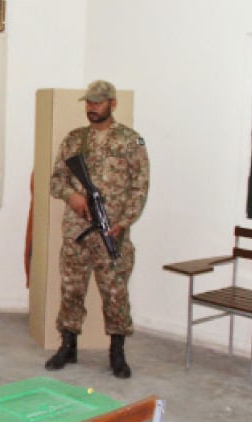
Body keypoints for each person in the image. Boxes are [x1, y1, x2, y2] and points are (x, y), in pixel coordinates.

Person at [45, 80, 150, 378]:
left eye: (99, 102)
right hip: (77, 231)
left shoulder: (132, 141)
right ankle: (68, 345)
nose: (92, 107)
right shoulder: (73, 140)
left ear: (112, 104)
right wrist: (73, 197)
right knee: (71, 289)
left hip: (111, 232)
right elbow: (56, 180)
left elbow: (140, 188)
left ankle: (117, 352)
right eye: (89, 102)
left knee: (115, 292)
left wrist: (122, 223)